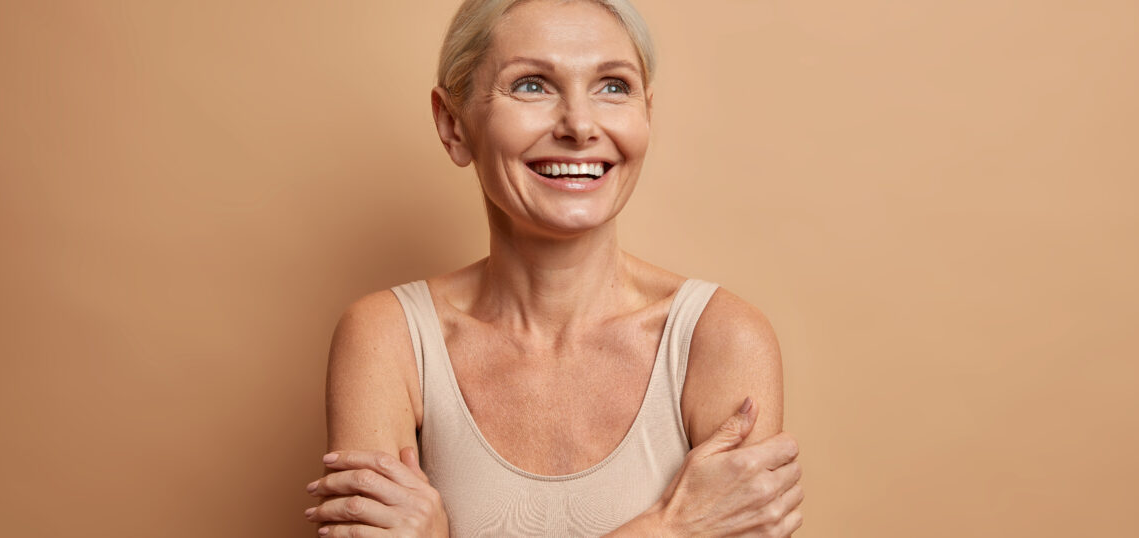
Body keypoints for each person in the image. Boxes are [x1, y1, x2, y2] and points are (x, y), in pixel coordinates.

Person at [303, 0, 804, 535]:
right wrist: (673, 528)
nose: (580, 125)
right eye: (532, 85)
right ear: (453, 125)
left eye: (613, 86)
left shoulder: (722, 339)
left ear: (646, 115)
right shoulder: (387, 337)